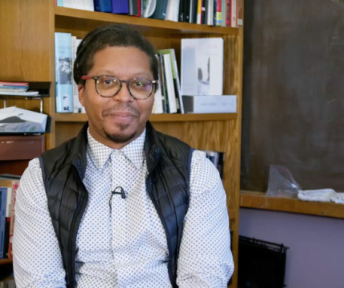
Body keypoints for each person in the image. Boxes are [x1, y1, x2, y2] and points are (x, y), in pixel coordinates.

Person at [14, 24, 234, 288]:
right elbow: (40, 282)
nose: (125, 97)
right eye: (107, 82)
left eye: (139, 84)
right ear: (81, 92)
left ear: (153, 93)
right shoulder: (42, 176)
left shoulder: (195, 171)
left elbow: (204, 279)